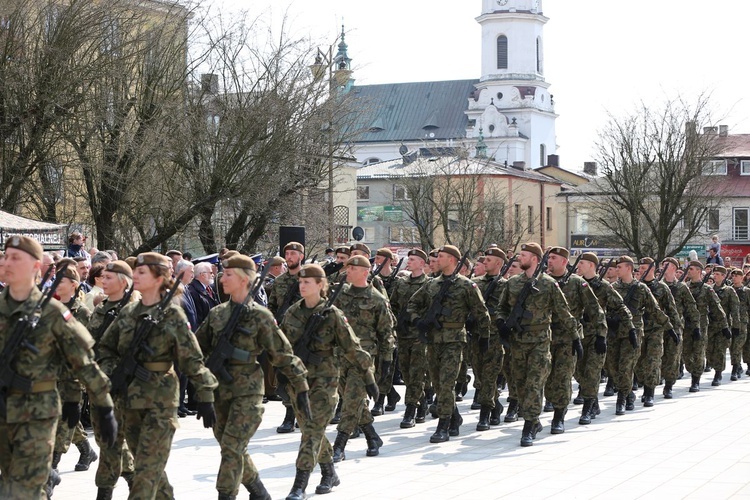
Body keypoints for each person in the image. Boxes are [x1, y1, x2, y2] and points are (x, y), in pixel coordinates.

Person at [0, 236, 117, 499]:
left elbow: (84, 362)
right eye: (5, 256)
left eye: (15, 257)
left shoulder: (52, 312)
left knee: (27, 488)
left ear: (34, 268)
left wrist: (104, 405)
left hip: (37, 411)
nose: (7, 262)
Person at [97, 252, 218, 499]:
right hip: (128, 402)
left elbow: (192, 359)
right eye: (136, 271)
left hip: (160, 403)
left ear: (159, 277)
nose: (136, 276)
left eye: (142, 272)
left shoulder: (173, 315)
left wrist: (205, 394)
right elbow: (105, 348)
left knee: (146, 473)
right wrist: (113, 373)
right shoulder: (128, 312)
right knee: (149, 469)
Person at [196, 254, 310, 500]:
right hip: (219, 391)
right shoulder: (216, 314)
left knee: (232, 448)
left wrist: (301, 389)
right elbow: (196, 350)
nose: (221, 278)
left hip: (248, 392)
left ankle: (226, 495)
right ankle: (259, 492)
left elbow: (283, 355)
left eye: (228, 275)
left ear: (245, 279)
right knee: (231, 448)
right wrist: (202, 390)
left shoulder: (260, 316)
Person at [280, 263, 377, 500]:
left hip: (325, 380)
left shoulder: (333, 314)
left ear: (320, 285)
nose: (302, 286)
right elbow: (280, 347)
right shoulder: (293, 312)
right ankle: (329, 472)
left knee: (311, 431)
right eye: (300, 282)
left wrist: (369, 377)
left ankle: (299, 485)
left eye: (307, 282)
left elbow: (352, 348)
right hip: (298, 382)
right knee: (310, 429)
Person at [407, 245, 491, 443]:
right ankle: (454, 417)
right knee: (437, 384)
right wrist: (418, 321)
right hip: (433, 339)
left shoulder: (466, 285)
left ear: (452, 260)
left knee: (446, 383)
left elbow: (481, 313)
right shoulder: (431, 284)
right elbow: (412, 304)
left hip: (454, 340)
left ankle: (443, 425)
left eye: (442, 256)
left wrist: (484, 337)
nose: (436, 259)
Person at [495, 243, 577, 446]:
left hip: (540, 341)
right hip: (517, 342)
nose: (518, 258)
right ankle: (534, 419)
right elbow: (501, 308)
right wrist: (500, 323)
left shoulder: (549, 284)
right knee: (520, 385)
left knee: (534, 383)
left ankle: (529, 425)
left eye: (523, 255)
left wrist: (576, 337)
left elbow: (564, 313)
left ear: (533, 258)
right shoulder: (512, 283)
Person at [331, 255, 394, 462]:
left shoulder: (377, 299)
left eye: (352, 268)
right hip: (341, 356)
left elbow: (386, 332)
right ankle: (372, 437)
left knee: (350, 401)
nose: (347, 271)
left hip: (364, 360)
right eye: (347, 268)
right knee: (356, 401)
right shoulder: (340, 295)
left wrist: (386, 360)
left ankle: (339, 445)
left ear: (365, 271)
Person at [88, 260, 137, 499]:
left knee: (113, 442)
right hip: (100, 383)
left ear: (123, 281)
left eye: (108, 277)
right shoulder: (101, 307)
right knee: (105, 439)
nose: (102, 281)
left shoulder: (137, 309)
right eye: (102, 277)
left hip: (126, 386)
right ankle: (132, 478)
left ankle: (106, 492)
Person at [544, 247, 604, 433]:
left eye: (553, 258)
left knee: (563, 378)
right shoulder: (542, 282)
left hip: (568, 339)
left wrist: (601, 334)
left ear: (563, 261)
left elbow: (595, 309)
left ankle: (559, 417)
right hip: (544, 339)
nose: (549, 261)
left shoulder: (577, 283)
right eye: (548, 258)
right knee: (547, 379)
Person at [576, 253, 634, 423]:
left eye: (582, 263)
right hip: (579, 334)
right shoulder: (577, 284)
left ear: (592, 266)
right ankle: (593, 401)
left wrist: (630, 328)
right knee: (578, 372)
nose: (578, 265)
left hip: (597, 335)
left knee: (592, 372)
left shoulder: (604, 286)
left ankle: (587, 408)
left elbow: (620, 306)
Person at [610, 256, 671, 415]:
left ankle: (622, 399)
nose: (617, 270)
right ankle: (629, 393)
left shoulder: (641, 288)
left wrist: (670, 328)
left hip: (634, 332)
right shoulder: (612, 288)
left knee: (627, 366)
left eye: (620, 267)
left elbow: (655, 309)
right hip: (614, 332)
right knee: (612, 366)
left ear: (629, 268)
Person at [389, 249, 431, 428]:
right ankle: (421, 402)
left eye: (413, 259)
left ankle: (410, 410)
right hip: (403, 333)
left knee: (416, 373)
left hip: (419, 336)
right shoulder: (401, 283)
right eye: (409, 259)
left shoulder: (429, 284)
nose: (409, 261)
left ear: (422, 263)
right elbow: (392, 305)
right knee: (406, 372)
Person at [469, 247, 509, 430]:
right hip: (476, 335)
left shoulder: (506, 285)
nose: (485, 262)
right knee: (479, 376)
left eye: (489, 260)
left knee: (490, 376)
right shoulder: (474, 283)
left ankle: (484, 414)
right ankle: (495, 405)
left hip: (494, 337)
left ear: (499, 263)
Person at [268, 242, 305, 433]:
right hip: (283, 337)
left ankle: (300, 414)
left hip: (304, 337)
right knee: (283, 378)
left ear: (301, 255)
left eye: (293, 253)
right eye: (287, 254)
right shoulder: (279, 281)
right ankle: (290, 413)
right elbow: (272, 307)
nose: (289, 257)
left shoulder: (308, 279)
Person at [636, 258, 679, 407]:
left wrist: (676, 330)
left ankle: (650, 392)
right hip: (639, 329)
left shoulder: (662, 287)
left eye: (644, 268)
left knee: (653, 360)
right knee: (639, 362)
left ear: (652, 269)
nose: (641, 270)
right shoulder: (637, 287)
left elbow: (672, 310)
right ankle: (643, 385)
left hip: (656, 329)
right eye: (640, 268)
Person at [683, 261, 727, 392]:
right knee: (686, 353)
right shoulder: (684, 287)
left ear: (698, 271)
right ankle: (692, 371)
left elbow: (717, 307)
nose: (688, 271)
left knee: (698, 352)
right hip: (686, 324)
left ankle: (695, 380)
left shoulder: (707, 289)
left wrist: (725, 326)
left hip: (701, 325)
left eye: (691, 269)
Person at [661, 257, 700, 399]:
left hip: (676, 326)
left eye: (666, 265)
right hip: (658, 327)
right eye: (663, 264)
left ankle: (668, 386)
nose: (663, 267)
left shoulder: (682, 287)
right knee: (657, 357)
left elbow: (691, 307)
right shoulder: (658, 285)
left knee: (672, 357)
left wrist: (696, 327)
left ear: (674, 268)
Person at [708, 266, 739, 386]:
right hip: (710, 325)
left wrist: (736, 326)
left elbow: (735, 309)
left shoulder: (729, 291)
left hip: (723, 325)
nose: (715, 276)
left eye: (717, 274)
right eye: (714, 274)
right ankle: (713, 366)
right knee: (709, 350)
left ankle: (718, 373)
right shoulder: (709, 289)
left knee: (720, 350)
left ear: (723, 276)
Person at [729, 268, 749, 381]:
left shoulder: (746, 291)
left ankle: (736, 369)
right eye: (733, 276)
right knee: (733, 346)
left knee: (739, 345)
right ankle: (737, 366)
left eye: (737, 276)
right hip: (731, 322)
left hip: (743, 322)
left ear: (742, 278)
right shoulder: (728, 290)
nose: (734, 278)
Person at [188, 262, 220, 327]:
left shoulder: (208, 288)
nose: (213, 275)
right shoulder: (193, 291)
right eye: (210, 273)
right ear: (202, 275)